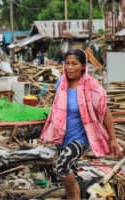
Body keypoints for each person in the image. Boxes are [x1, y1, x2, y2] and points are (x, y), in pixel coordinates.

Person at [40, 49, 122, 200]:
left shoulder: (91, 86)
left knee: (62, 166)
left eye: (74, 64)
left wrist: (113, 139)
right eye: (67, 63)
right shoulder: (61, 83)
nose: (69, 67)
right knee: (69, 176)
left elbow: (105, 112)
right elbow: (58, 107)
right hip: (62, 137)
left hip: (81, 138)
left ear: (83, 66)